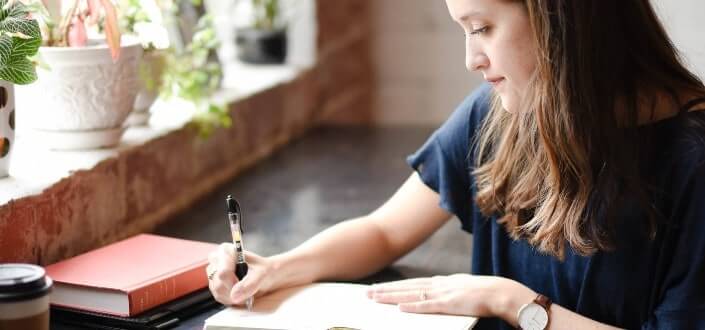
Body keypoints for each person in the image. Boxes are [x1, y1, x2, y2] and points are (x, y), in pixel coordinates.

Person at [207, 0, 705, 328]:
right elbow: (384, 231)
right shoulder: (500, 113)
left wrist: (515, 304)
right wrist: (277, 268)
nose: (472, 59)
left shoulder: (694, 162)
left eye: (484, 28)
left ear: (562, 18)